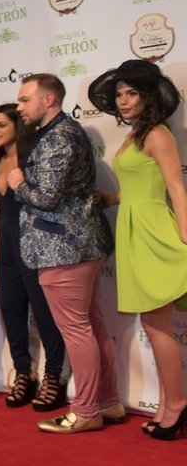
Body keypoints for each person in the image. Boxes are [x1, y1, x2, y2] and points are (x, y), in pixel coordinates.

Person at [9, 74, 122, 434]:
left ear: (49, 99)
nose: (19, 107)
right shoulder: (58, 133)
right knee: (91, 324)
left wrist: (17, 183)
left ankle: (86, 410)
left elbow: (46, 198)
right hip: (76, 245)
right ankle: (108, 402)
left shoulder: (59, 136)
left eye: (25, 99)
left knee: (76, 329)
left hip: (64, 248)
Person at [90, 60, 187, 441]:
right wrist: (112, 198)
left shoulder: (158, 134)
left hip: (153, 232)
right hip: (134, 230)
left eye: (132, 93)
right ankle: (167, 405)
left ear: (148, 97)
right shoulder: (135, 134)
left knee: (156, 325)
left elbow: (175, 188)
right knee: (153, 324)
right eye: (119, 94)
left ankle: (176, 405)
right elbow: (137, 186)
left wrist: (185, 235)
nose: (124, 100)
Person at [0, 103, 67, 411]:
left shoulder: (33, 157)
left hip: (34, 243)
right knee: (11, 311)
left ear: (17, 127)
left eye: (1, 125)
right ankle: (23, 372)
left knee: (44, 314)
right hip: (6, 244)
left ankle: (54, 376)